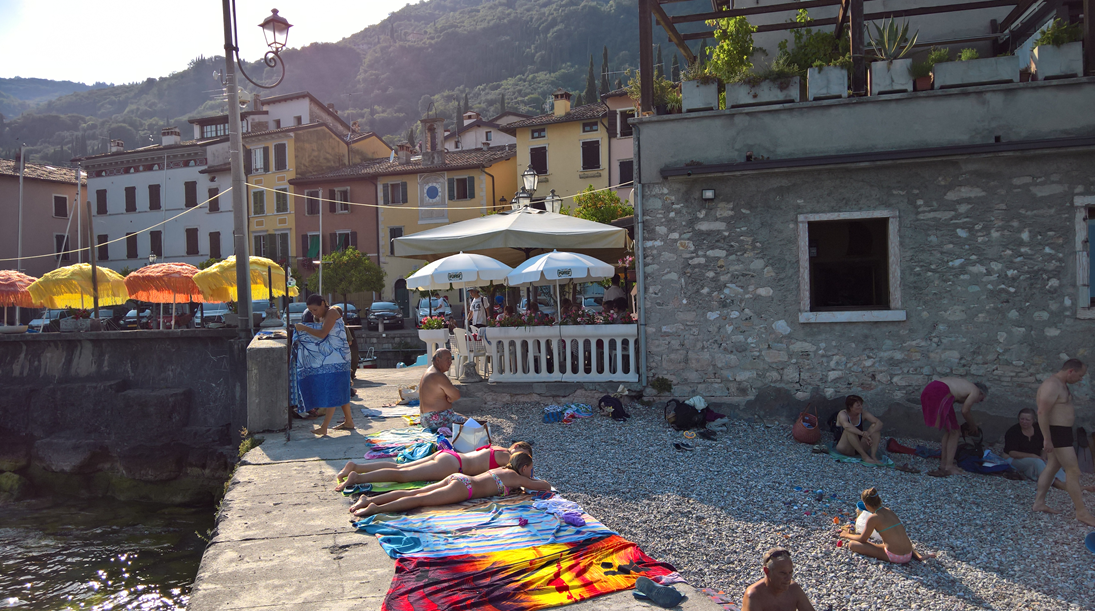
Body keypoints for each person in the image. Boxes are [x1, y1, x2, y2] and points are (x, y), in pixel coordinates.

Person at [350, 451, 550, 517]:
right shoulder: (516, 477)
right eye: (530, 468)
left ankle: (368, 499)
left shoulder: (503, 469)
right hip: (464, 489)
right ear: (523, 467)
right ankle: (376, 508)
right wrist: (531, 479)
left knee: (414, 492)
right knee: (419, 499)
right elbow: (545, 486)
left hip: (458, 478)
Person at [1032, 359, 1095, 525]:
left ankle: (1039, 503)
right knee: (1073, 471)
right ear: (1071, 371)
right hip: (1057, 433)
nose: (1081, 379)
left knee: (1052, 466)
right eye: (1080, 375)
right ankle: (1082, 512)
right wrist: (1047, 438)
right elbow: (1042, 412)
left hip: (1063, 432)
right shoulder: (1052, 385)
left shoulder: (1061, 384)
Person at [336, 441, 532, 492]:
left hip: (449, 455)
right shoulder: (506, 456)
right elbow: (517, 477)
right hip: (453, 465)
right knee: (403, 476)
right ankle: (358, 478)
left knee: (401, 468)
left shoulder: (496, 447)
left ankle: (358, 467)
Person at [293, 295, 355, 436]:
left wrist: (303, 328)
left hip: (338, 357)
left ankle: (324, 426)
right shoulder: (323, 315)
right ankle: (349, 421)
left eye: (315, 309)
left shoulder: (332, 312)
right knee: (341, 389)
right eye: (310, 311)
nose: (314, 313)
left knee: (333, 390)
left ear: (323, 304)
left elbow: (322, 334)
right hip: (334, 356)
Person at [839, 488, 931, 564]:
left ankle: (898, 555)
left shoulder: (873, 518)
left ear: (866, 505)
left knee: (852, 544)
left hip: (896, 556)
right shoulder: (889, 511)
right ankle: (919, 556)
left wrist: (846, 535)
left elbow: (863, 539)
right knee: (896, 538)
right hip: (909, 553)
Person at [919, 377, 987, 477]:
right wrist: (972, 425)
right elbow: (965, 411)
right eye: (981, 400)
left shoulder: (962, 387)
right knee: (955, 432)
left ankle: (944, 464)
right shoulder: (975, 390)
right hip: (940, 391)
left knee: (950, 431)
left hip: (929, 390)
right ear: (981, 393)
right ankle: (949, 466)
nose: (977, 402)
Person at [742, 548, 815, 611]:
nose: (788, 578)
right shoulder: (754, 595)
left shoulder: (794, 589)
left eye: (790, 573)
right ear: (767, 571)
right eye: (783, 573)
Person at [418, 348, 467, 431]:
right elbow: (456, 395)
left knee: (462, 417)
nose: (450, 362)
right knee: (472, 425)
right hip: (436, 419)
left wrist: (449, 397)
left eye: (451, 359)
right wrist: (449, 398)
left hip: (427, 418)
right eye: (447, 359)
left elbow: (453, 396)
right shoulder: (437, 375)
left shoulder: (429, 371)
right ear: (438, 360)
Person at [831, 395, 884, 464]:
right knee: (849, 430)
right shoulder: (842, 414)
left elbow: (879, 423)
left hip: (859, 446)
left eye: (861, 405)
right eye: (858, 406)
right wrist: (862, 434)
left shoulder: (863, 413)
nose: (861, 407)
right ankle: (864, 456)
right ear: (850, 407)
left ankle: (873, 456)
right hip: (845, 447)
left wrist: (869, 434)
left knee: (875, 427)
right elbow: (846, 425)